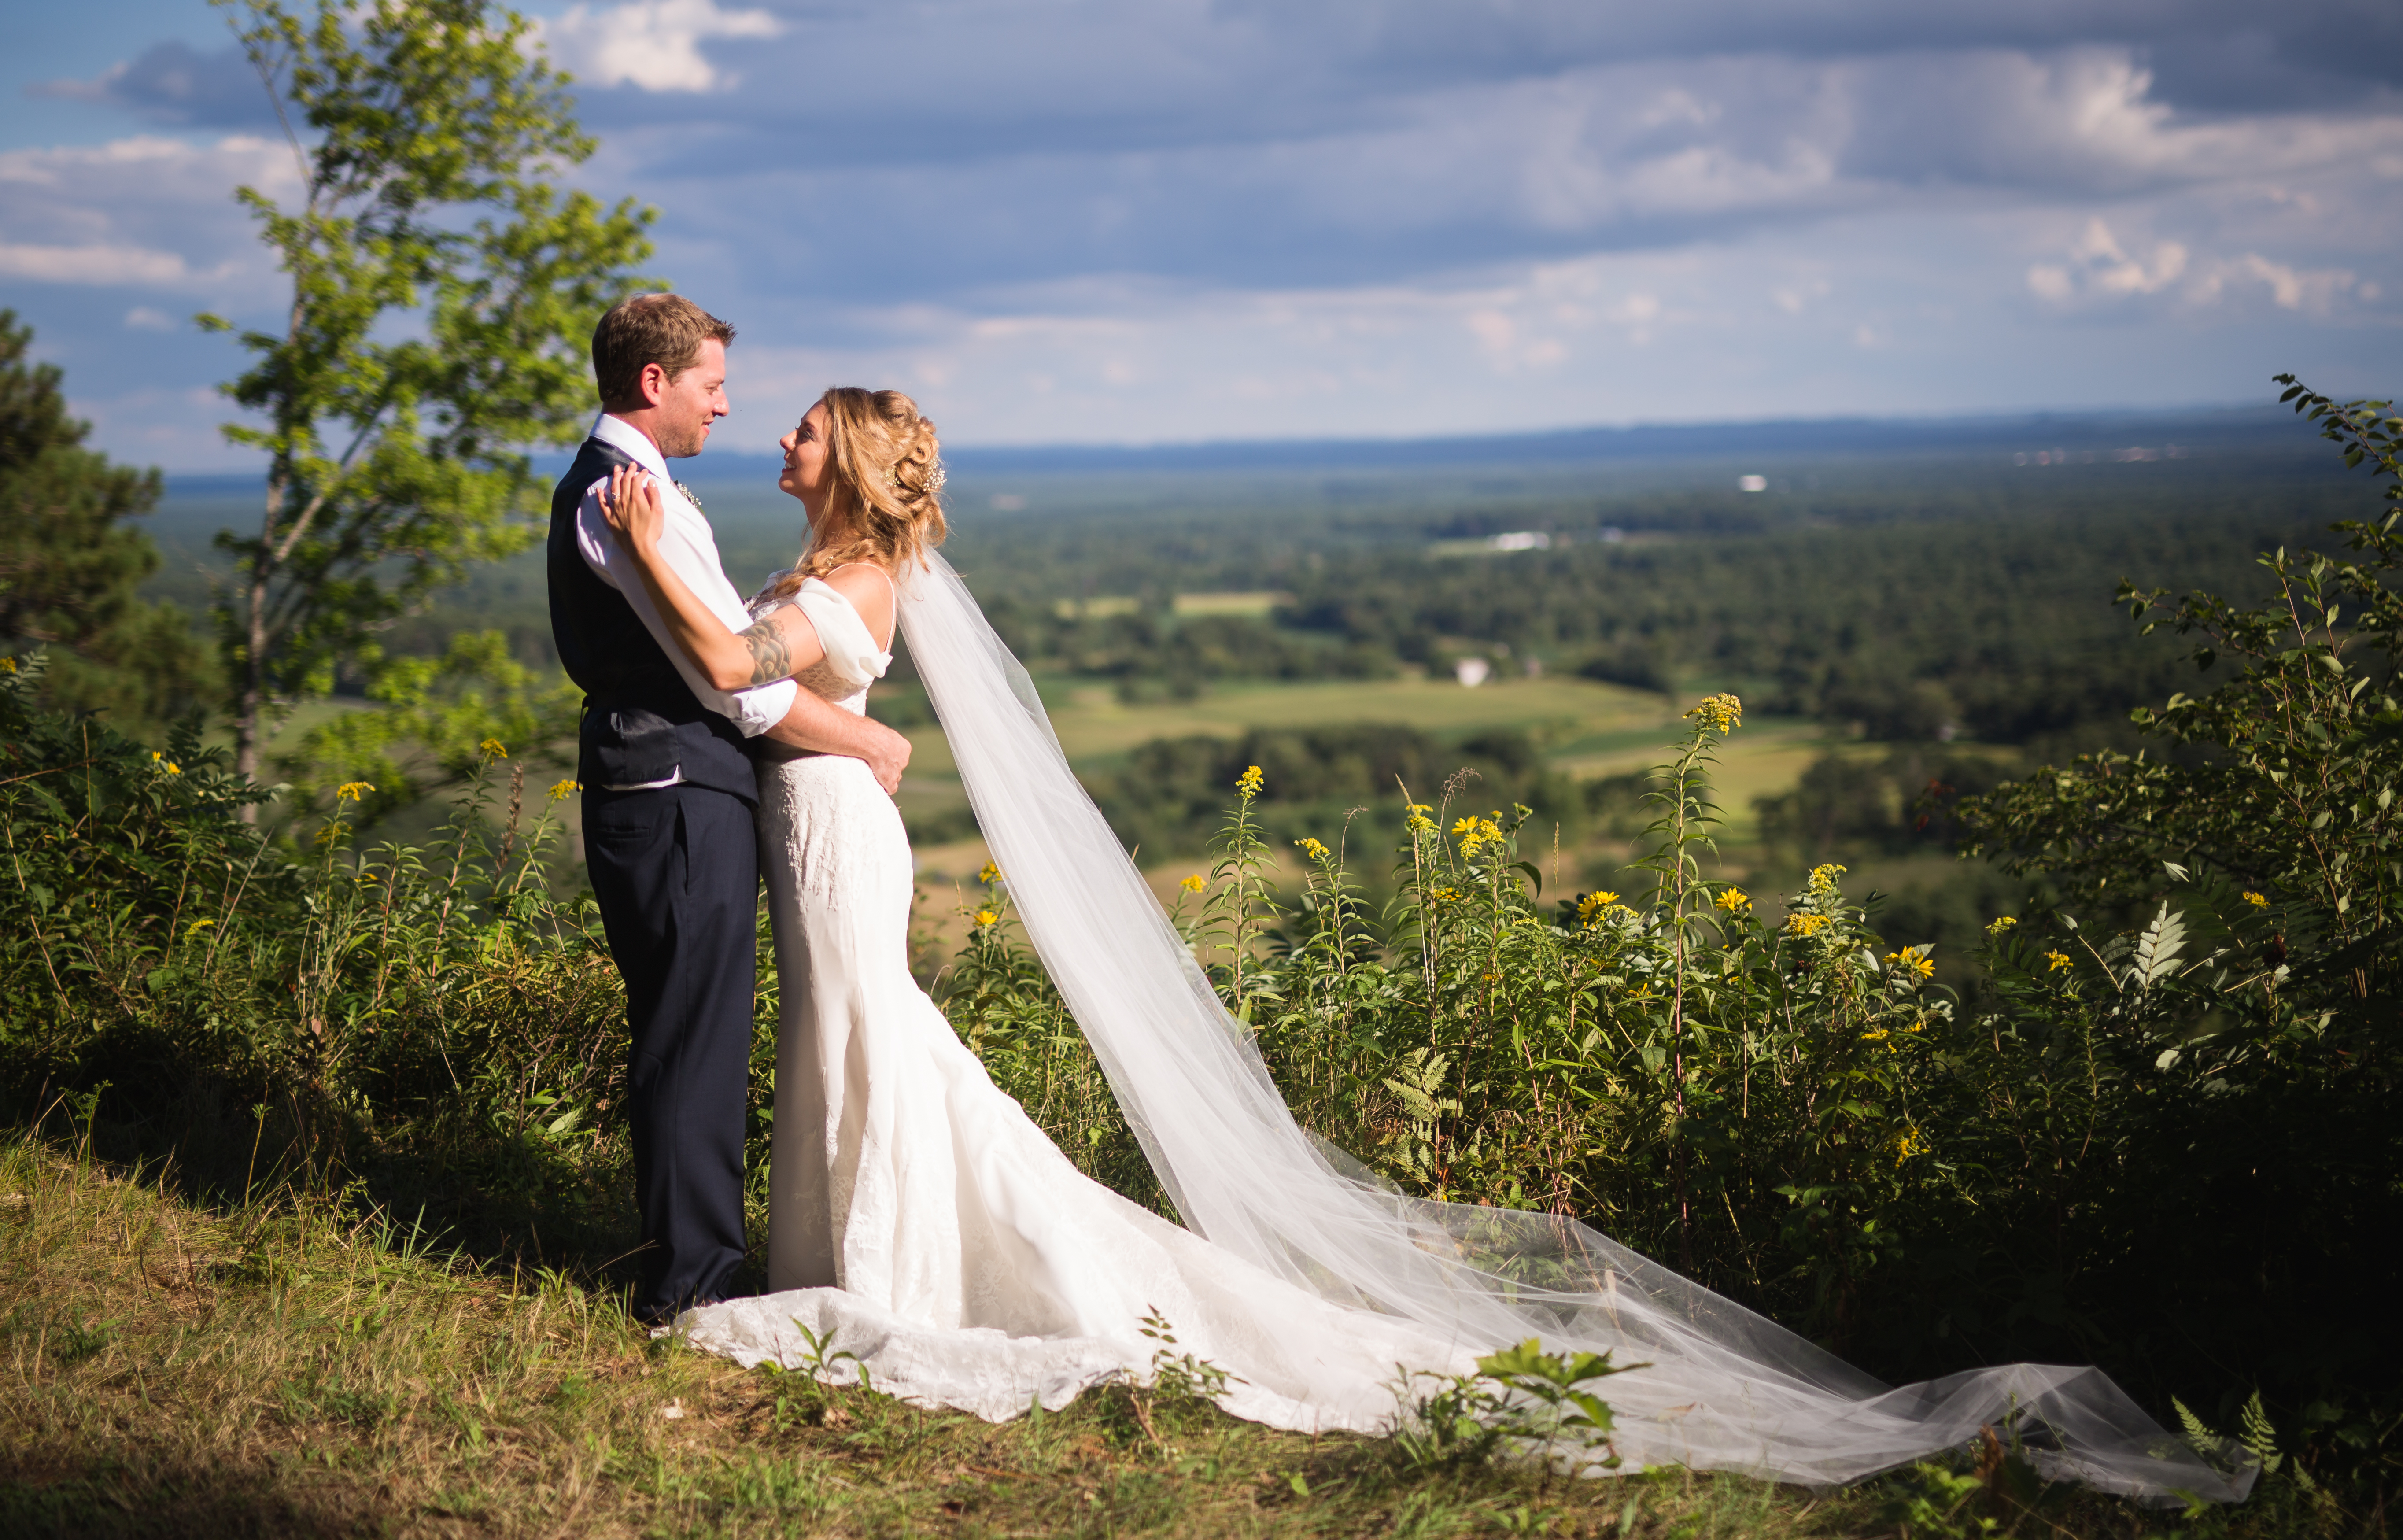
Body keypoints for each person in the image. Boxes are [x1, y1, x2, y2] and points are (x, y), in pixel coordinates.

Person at [592, 388, 2253, 1504]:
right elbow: (771, 674)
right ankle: (857, 1246)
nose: (780, 434)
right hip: (833, 817)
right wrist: (847, 720)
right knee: (860, 1040)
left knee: (875, 1038)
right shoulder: (838, 564)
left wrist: (652, 538)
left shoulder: (836, 583)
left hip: (836, 832)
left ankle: (895, 1268)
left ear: (850, 459)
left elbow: (735, 664)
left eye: (801, 426)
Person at [546, 296, 911, 1326]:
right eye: (712, 385)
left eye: (803, 430)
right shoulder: (628, 500)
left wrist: (862, 743)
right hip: (677, 791)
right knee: (698, 1034)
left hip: (763, 807)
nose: (728, 407)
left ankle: (739, 1262)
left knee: (789, 1030)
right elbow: (734, 684)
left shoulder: (640, 496)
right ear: (654, 382)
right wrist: (870, 739)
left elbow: (733, 668)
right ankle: (692, 1285)